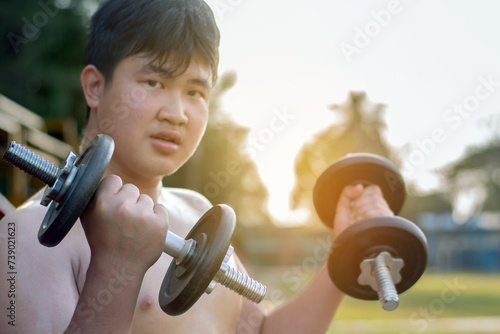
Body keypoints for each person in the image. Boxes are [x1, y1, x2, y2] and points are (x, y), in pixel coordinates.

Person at [0, 0, 394, 333]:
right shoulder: (27, 235)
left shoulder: (198, 211)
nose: (176, 113)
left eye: (194, 91)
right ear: (95, 87)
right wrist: (116, 267)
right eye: (154, 82)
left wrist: (346, 252)